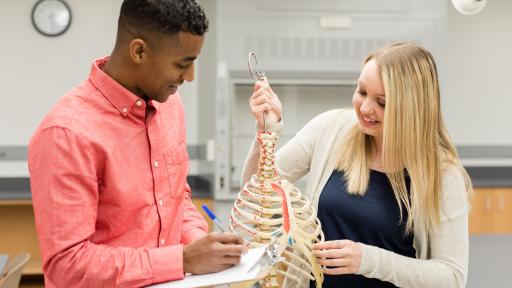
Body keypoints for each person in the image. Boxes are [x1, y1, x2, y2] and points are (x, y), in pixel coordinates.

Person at [28, 1, 246, 287]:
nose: (190, 77)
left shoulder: (170, 107)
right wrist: (182, 260)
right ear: (139, 51)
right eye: (182, 64)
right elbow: (67, 266)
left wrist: (199, 241)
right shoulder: (66, 133)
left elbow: (176, 198)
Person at [243, 42, 472, 287]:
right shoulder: (330, 129)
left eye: (382, 102)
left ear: (411, 108)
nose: (364, 108)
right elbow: (256, 191)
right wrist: (266, 131)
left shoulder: (443, 174)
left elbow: (452, 276)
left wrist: (367, 260)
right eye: (362, 92)